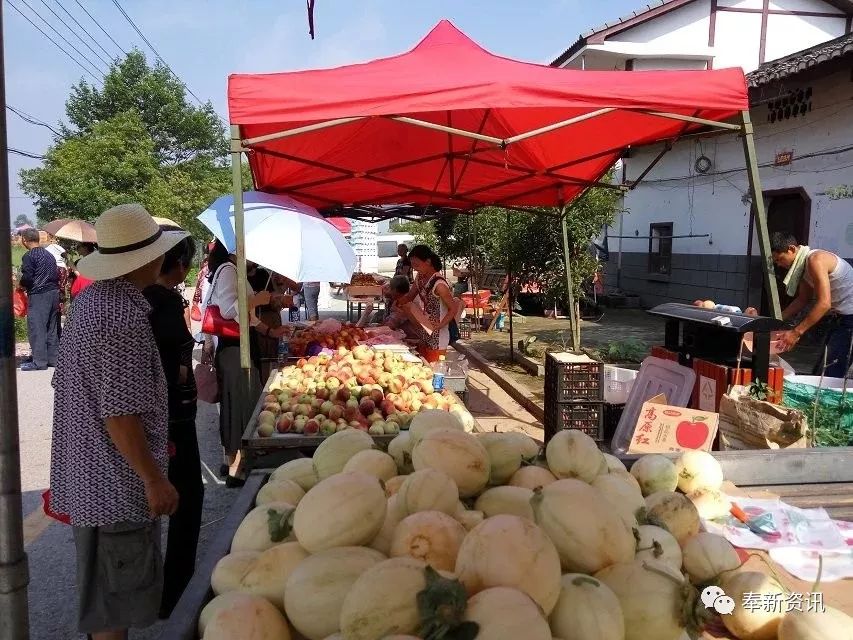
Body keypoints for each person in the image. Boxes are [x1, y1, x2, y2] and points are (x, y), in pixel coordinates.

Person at [50, 204, 184, 640]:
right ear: (148, 259)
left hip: (91, 477)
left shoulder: (92, 302)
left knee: (106, 598)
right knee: (115, 605)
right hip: (115, 486)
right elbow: (119, 413)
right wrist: (153, 479)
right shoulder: (121, 316)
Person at [142, 227, 203, 618]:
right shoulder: (158, 305)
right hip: (171, 418)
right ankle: (176, 594)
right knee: (187, 497)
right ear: (180, 266)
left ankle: (165, 588)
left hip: (165, 415)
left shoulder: (144, 299)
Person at [204, 240, 287, 485]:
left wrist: (270, 331)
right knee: (238, 404)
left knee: (242, 402)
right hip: (233, 348)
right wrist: (258, 300)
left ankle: (234, 462)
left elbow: (247, 318)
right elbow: (231, 311)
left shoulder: (233, 271)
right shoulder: (229, 271)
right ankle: (235, 469)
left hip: (241, 343)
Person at [771, 232, 853, 377]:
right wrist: (775, 320)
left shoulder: (816, 260)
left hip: (849, 318)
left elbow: (824, 303)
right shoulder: (803, 268)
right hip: (841, 317)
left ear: (791, 249)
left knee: (831, 372)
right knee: (824, 366)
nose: (779, 264)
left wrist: (796, 333)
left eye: (780, 259)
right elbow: (803, 299)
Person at [397, 245, 459, 362]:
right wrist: (398, 301)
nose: (415, 269)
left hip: (438, 338)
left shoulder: (439, 285)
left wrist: (440, 325)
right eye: (413, 266)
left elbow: (453, 309)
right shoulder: (420, 277)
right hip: (424, 332)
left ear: (428, 262)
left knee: (433, 372)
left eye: (417, 265)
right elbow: (410, 296)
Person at [18, 228, 59, 371]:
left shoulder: (29, 256)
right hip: (54, 293)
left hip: (39, 294)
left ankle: (39, 362)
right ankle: (53, 359)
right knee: (51, 327)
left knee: (37, 327)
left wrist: (21, 284)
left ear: (24, 240)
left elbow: (28, 277)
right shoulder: (49, 255)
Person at [45, 243, 70, 341]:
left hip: (53, 296)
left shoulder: (55, 268)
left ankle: (55, 339)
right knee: (57, 319)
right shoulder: (63, 268)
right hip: (60, 297)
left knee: (53, 320)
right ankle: (57, 338)